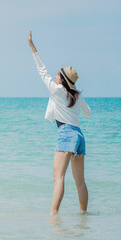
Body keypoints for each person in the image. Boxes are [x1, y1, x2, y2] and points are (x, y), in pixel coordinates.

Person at [28, 30, 91, 215]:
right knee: (80, 181)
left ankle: (53, 214)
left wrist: (32, 47)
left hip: (66, 133)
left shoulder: (56, 90)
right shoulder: (77, 95)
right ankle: (83, 217)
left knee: (59, 177)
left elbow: (41, 70)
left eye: (58, 75)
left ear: (62, 80)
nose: (55, 77)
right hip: (79, 136)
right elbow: (88, 114)